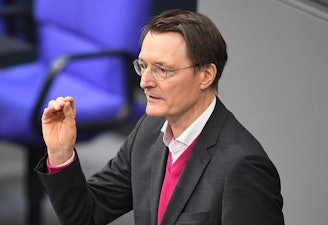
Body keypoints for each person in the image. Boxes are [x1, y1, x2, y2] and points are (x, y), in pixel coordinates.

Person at [35, 9, 285, 225]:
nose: (145, 82)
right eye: (143, 66)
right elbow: (86, 214)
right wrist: (60, 153)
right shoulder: (149, 130)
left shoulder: (243, 166)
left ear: (206, 75)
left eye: (162, 70)